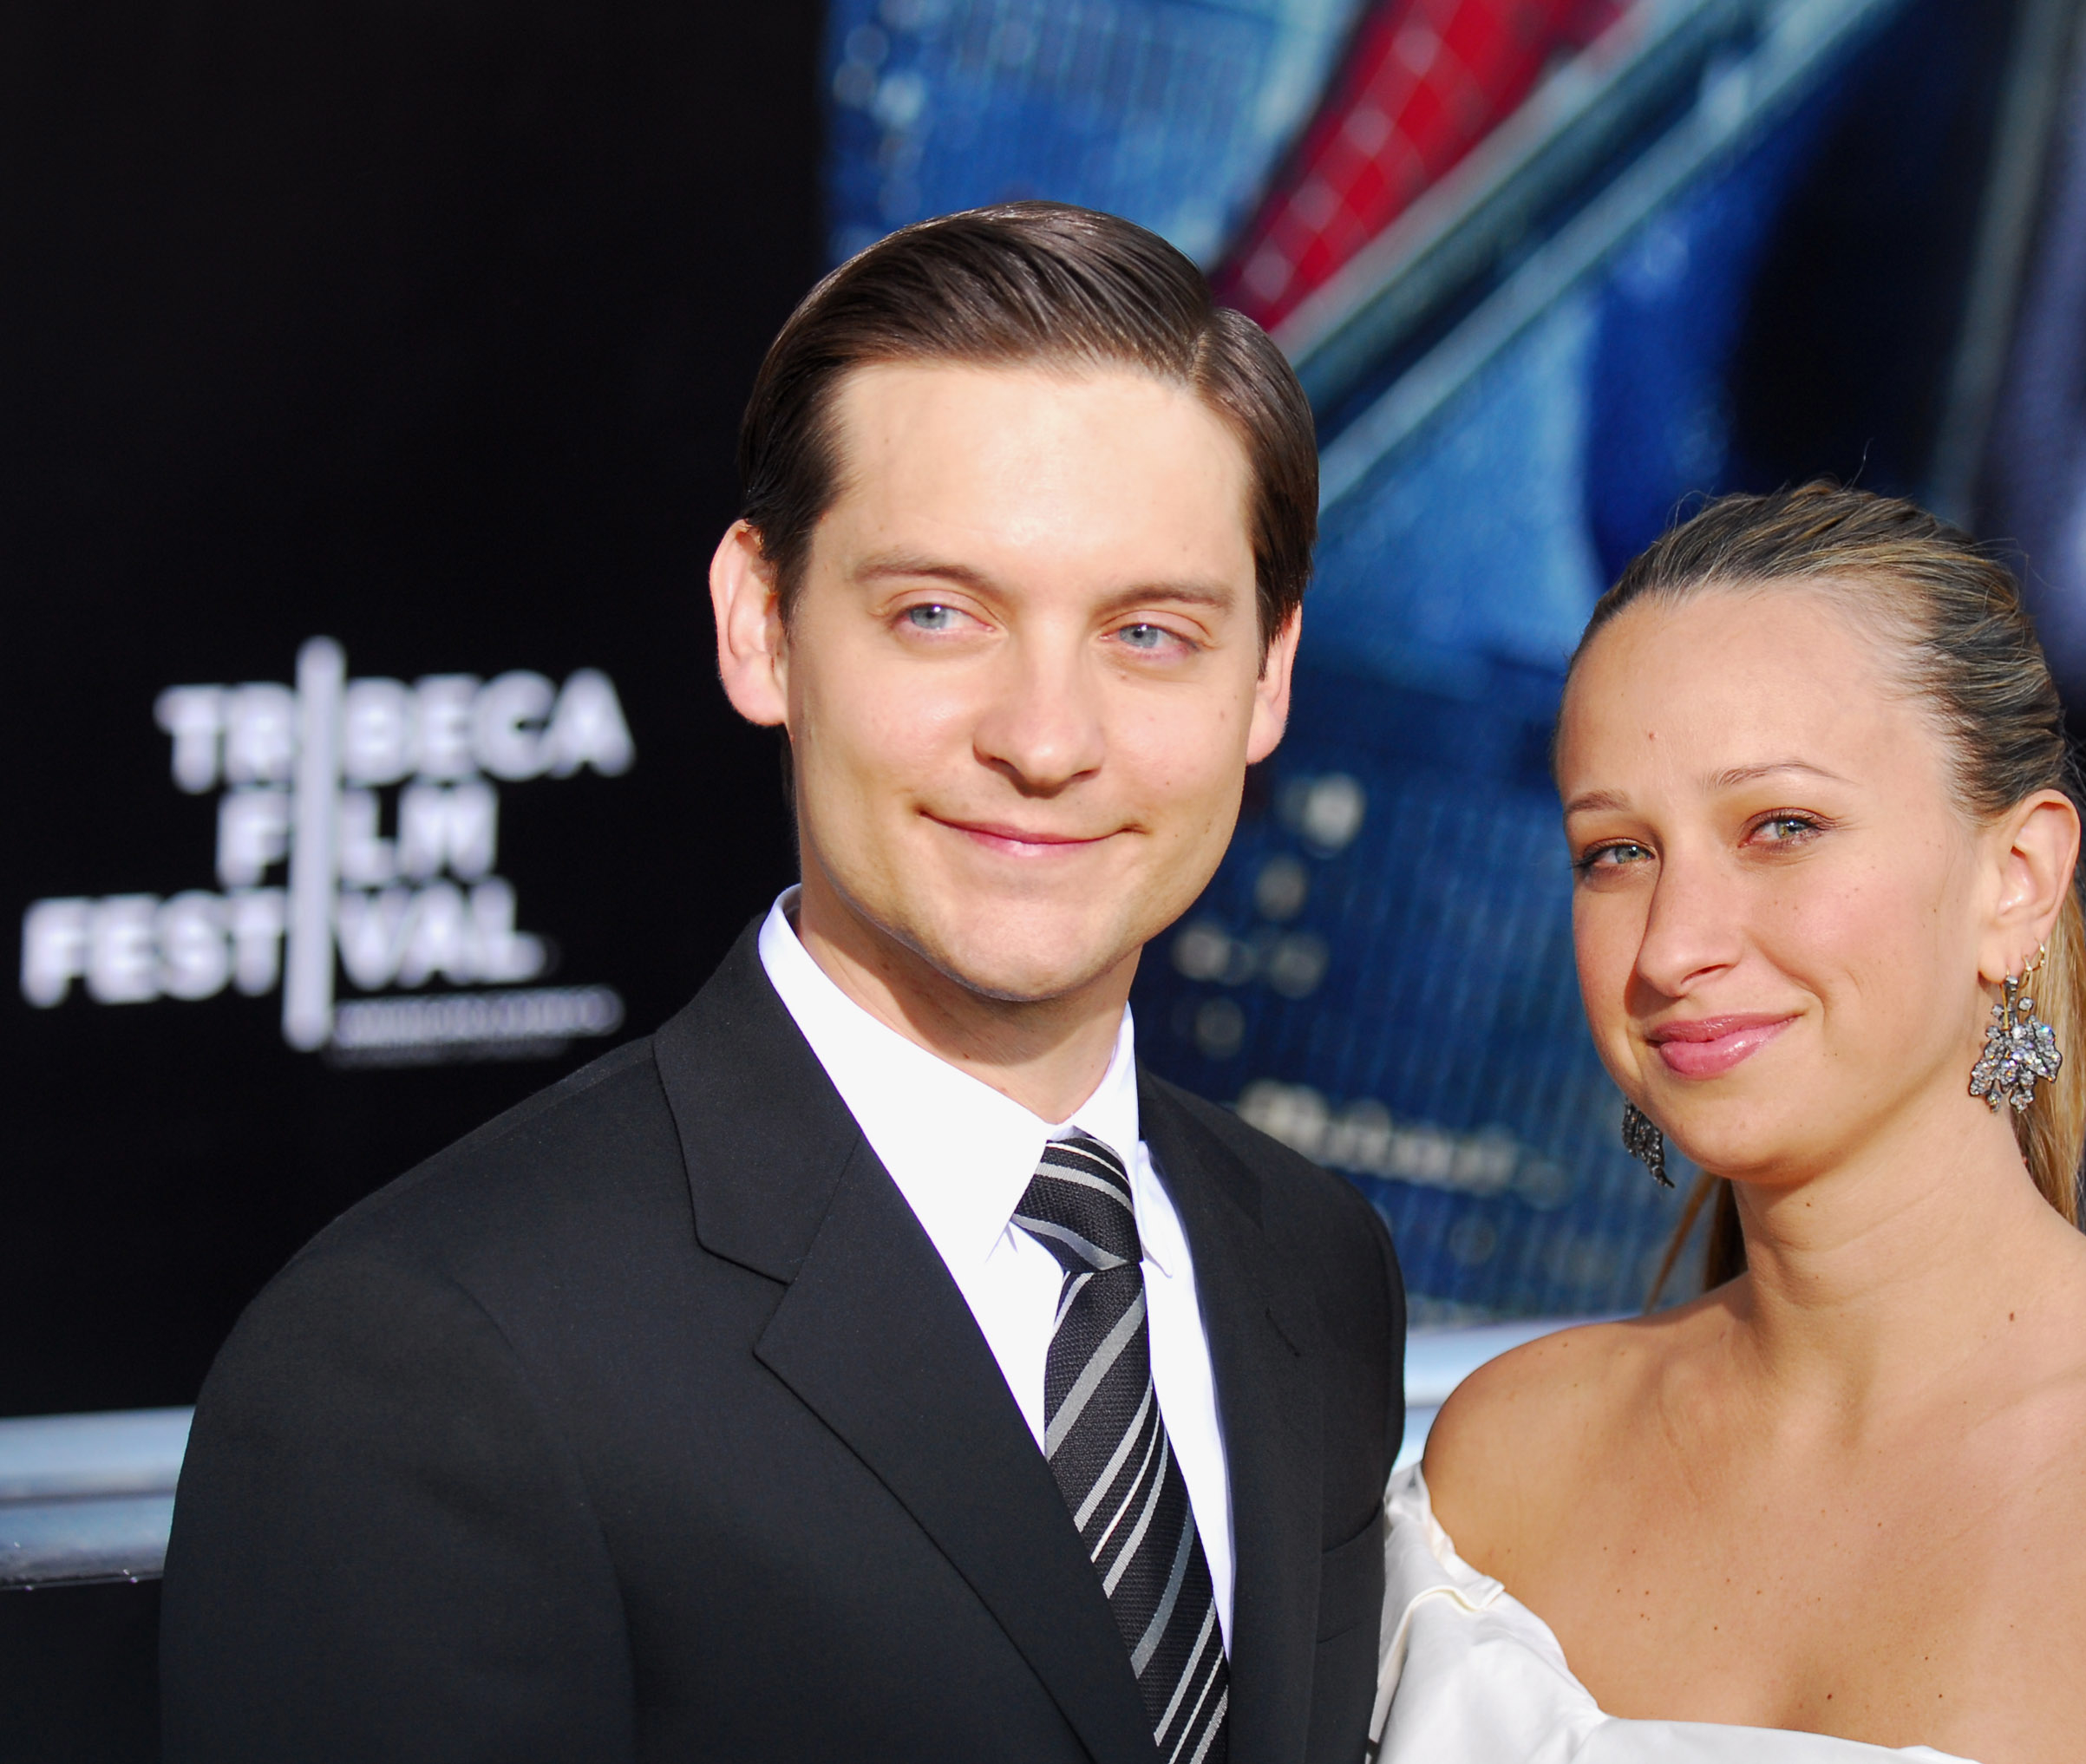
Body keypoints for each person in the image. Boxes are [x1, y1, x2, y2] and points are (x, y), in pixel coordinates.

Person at [160, 203, 1405, 1764]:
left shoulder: (1315, 1263)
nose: (1046, 735)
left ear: (1269, 677)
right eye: (939, 614)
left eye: (1150, 633)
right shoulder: (429, 1361)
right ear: (763, 624)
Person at [1382, 485, 2086, 1763]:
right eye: (1614, 852)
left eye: (1781, 827)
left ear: (2015, 881)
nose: (1676, 944)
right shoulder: (1507, 1456)